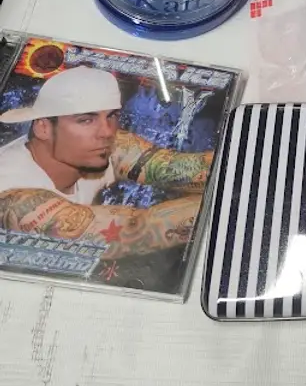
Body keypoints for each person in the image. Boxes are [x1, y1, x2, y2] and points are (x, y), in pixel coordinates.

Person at [0, 66, 212, 260]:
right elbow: (138, 230)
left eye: (111, 116)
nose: (107, 132)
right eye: (86, 120)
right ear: (43, 128)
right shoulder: (13, 196)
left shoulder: (95, 147)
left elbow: (176, 169)